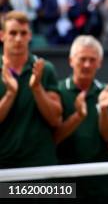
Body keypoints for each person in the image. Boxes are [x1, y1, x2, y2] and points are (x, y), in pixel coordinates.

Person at [55, 35, 108, 203]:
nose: (87, 65)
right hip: (63, 178)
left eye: (92, 60)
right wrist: (78, 117)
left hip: (99, 180)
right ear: (71, 60)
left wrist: (103, 109)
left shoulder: (107, 91)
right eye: (82, 59)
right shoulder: (58, 91)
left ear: (100, 63)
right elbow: (53, 138)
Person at [0, 11, 62, 168]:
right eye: (13, 33)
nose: (18, 39)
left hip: (41, 166)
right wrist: (10, 94)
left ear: (30, 36)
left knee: (65, 193)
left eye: (23, 33)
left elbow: (55, 119)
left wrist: (36, 88)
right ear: (2, 35)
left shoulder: (45, 69)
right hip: (4, 168)